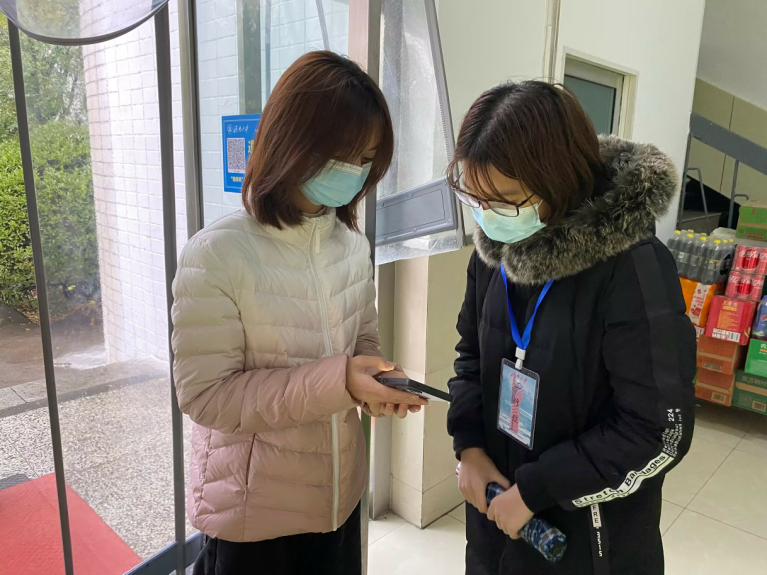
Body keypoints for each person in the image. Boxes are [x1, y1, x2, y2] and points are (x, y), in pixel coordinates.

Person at [171, 51, 426, 575]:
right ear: (290, 140)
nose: (353, 171)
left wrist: (376, 383)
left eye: (366, 158)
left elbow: (364, 343)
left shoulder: (351, 245)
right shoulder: (217, 253)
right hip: (253, 516)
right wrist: (341, 382)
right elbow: (206, 397)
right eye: (341, 154)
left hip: (338, 500)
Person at [446, 80, 696, 575]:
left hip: (587, 541)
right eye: (476, 198)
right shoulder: (494, 254)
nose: (488, 217)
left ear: (560, 182)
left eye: (505, 201)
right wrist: (469, 445)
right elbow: (470, 358)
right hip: (496, 522)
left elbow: (658, 430)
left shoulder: (633, 268)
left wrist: (537, 490)